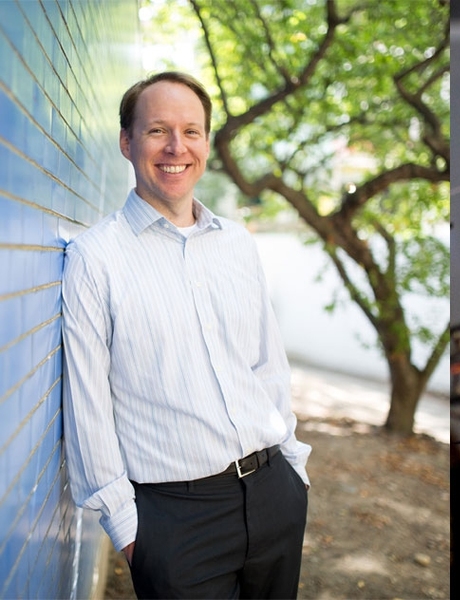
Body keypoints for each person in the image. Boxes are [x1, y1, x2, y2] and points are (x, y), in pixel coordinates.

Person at [61, 71, 311, 598]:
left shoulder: (237, 244)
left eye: (191, 131)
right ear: (127, 142)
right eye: (158, 131)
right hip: (176, 522)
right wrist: (131, 533)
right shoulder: (95, 258)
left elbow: (267, 365)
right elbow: (88, 407)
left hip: (274, 495)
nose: (177, 147)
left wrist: (294, 467)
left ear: (206, 143)